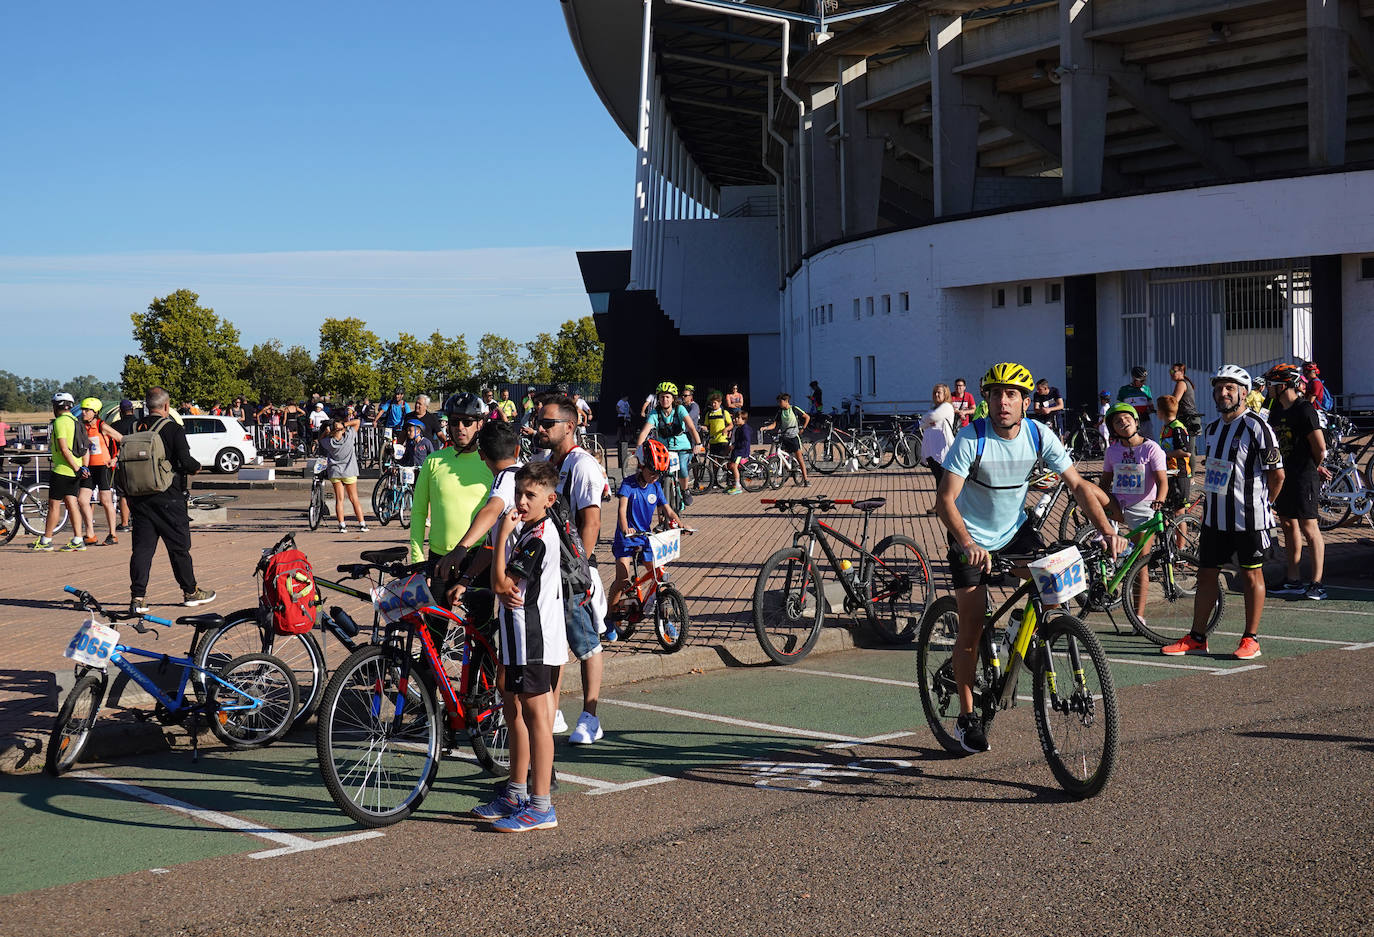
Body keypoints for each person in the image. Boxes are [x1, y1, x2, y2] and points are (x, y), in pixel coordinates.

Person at [936, 363, 1125, 753]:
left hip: (1015, 532)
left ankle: (1031, 636)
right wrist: (969, 543)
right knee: (971, 627)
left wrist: (1107, 530)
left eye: (1011, 395)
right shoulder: (972, 438)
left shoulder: (1040, 435)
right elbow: (945, 501)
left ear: (1026, 402)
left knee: (1052, 585)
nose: (1003, 402)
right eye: (995, 394)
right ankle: (968, 716)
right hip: (970, 537)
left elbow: (1078, 486)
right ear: (985, 400)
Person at [469, 460, 567, 833]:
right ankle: (516, 791)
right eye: (519, 494)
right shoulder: (529, 532)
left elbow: (500, 585)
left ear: (549, 499)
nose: (522, 501)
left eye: (531, 495)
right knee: (514, 710)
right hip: (516, 637)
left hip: (532, 639)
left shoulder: (538, 537)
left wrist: (499, 536)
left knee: (536, 716)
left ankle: (541, 805)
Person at [1161, 365, 1283, 661]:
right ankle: (1197, 637)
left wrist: (1263, 505)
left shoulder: (1258, 427)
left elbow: (1277, 474)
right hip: (1215, 518)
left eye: (1230, 388)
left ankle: (1250, 639)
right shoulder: (1213, 430)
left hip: (1250, 518)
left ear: (1244, 392)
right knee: (1206, 576)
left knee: (1251, 576)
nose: (1223, 393)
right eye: (1219, 388)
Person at [534, 396, 612, 743]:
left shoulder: (583, 465)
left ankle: (590, 717)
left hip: (573, 571)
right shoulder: (543, 462)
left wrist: (577, 570)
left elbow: (591, 523)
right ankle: (553, 710)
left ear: (570, 425)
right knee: (551, 646)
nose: (541, 428)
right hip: (546, 571)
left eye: (547, 423)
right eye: (540, 421)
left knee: (586, 644)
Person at [125, 387, 215, 613]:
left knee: (142, 550)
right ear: (166, 406)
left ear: (147, 405)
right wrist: (196, 468)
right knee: (179, 548)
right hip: (168, 497)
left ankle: (138, 598)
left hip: (139, 497)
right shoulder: (172, 428)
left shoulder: (134, 427)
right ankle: (190, 592)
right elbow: (185, 460)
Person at [1099, 403, 1170, 628]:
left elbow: (1162, 482)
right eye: (1118, 422)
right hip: (1119, 508)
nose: (1123, 423)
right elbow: (1105, 482)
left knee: (1141, 563)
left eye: (1127, 419)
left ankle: (1138, 615)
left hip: (1143, 509)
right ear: (1114, 429)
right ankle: (1103, 547)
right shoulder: (1112, 451)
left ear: (1136, 422)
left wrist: (1160, 499)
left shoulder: (1151, 449)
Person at [440, 420, 524, 607]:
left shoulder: (506, 478)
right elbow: (491, 544)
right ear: (517, 450)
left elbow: (491, 510)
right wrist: (466, 579)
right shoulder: (525, 474)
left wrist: (461, 548)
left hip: (520, 597)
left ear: (481, 454)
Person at [1264, 363, 1329, 600]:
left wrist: (1313, 467)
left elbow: (1320, 448)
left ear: (1283, 385)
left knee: (1309, 527)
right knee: (1288, 525)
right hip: (1284, 476)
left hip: (1303, 476)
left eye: (1271, 384)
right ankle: (1293, 580)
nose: (1268, 388)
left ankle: (1317, 582)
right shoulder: (1276, 410)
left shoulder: (1304, 410)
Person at [410, 393, 493, 572]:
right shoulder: (433, 461)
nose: (460, 428)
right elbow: (418, 512)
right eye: (454, 422)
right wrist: (417, 558)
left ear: (480, 424)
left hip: (479, 559)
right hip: (439, 558)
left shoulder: (490, 462)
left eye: (467, 422)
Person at [608, 440, 683, 613]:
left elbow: (668, 510)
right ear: (641, 466)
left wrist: (680, 524)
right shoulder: (628, 484)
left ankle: (665, 619)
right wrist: (626, 528)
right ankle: (610, 615)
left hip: (645, 537)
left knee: (660, 575)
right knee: (623, 579)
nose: (655, 476)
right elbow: (622, 509)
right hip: (626, 540)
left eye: (659, 473)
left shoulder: (655, 487)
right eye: (652, 471)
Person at [30, 392, 89, 552]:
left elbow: (63, 448)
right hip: (75, 469)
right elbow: (86, 447)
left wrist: (76, 468)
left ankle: (46, 540)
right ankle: (78, 539)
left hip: (63, 469)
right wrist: (82, 467)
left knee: (54, 505)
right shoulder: (77, 421)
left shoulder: (60, 422)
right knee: (72, 504)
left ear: (57, 407)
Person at [635, 382, 703, 507]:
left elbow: (691, 427)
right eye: (661, 397)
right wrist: (638, 449)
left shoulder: (680, 409)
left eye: (667, 397)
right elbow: (644, 431)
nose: (664, 400)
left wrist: (698, 443)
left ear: (673, 398)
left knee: (682, 468)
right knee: (658, 474)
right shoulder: (655, 413)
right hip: (663, 449)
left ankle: (685, 490)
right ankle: (663, 510)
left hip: (682, 447)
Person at [76, 397, 123, 545]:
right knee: (82, 500)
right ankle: (90, 533)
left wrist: (115, 458)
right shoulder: (82, 426)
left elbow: (122, 439)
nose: (83, 412)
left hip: (103, 467)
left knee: (106, 501)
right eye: (82, 409)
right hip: (88, 468)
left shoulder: (102, 426)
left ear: (95, 412)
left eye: (87, 410)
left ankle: (112, 534)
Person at [1155, 394, 1194, 545]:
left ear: (1161, 412)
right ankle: (1168, 547)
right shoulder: (1166, 427)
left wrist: (1162, 454)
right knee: (1166, 512)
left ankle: (1181, 548)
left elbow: (1186, 451)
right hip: (1168, 474)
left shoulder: (1177, 428)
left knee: (1179, 513)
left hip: (1180, 474)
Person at [318, 416, 368, 533]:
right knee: (354, 498)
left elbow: (321, 439)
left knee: (339, 499)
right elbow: (357, 422)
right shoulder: (349, 438)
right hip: (349, 472)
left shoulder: (329, 442)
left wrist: (326, 432)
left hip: (335, 472)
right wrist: (344, 425)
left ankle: (342, 524)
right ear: (343, 430)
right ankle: (362, 524)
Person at [760, 392, 811, 487]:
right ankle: (783, 474)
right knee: (781, 456)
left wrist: (803, 428)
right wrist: (765, 428)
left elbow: (807, 417)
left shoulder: (794, 409)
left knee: (800, 459)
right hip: (784, 437)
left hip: (794, 437)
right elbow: (774, 425)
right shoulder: (780, 412)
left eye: (780, 402)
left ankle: (806, 479)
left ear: (786, 401)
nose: (779, 404)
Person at [921, 383, 956, 506]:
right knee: (938, 477)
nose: (936, 395)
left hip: (942, 448)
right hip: (931, 448)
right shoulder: (933, 408)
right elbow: (923, 424)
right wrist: (928, 420)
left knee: (942, 477)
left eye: (939, 392)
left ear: (945, 394)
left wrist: (927, 419)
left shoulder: (946, 407)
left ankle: (944, 505)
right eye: (935, 392)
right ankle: (940, 504)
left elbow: (933, 417)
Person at [111, 399, 139, 531]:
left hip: (121, 461)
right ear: (132, 410)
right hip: (139, 462)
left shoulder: (115, 426)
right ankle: (138, 520)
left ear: (121, 412)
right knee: (139, 492)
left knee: (123, 494)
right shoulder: (139, 424)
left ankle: (124, 523)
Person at [1168, 363, 1204, 453]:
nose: (1171, 373)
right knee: (1189, 448)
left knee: (1188, 451)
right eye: (1170, 371)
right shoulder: (1185, 383)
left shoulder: (1181, 383)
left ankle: (1192, 468)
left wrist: (1165, 409)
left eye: (1173, 371)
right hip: (1189, 419)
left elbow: (1175, 401)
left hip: (1188, 420)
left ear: (1182, 372)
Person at [725, 409, 754, 494]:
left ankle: (738, 486)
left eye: (738, 418)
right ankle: (733, 484)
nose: (735, 420)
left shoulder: (745, 429)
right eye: (734, 418)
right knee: (730, 465)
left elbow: (745, 441)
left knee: (734, 466)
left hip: (741, 452)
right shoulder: (738, 428)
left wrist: (735, 445)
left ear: (744, 419)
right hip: (736, 451)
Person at [703, 392, 731, 461]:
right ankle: (715, 472)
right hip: (712, 441)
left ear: (720, 402)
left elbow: (731, 425)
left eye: (715, 403)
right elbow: (706, 426)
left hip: (722, 440)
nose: (713, 404)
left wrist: (726, 429)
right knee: (713, 461)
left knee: (722, 461)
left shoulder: (724, 413)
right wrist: (703, 428)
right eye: (712, 403)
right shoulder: (709, 414)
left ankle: (726, 472)